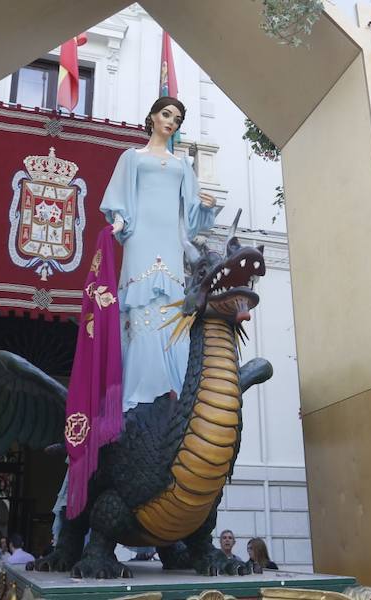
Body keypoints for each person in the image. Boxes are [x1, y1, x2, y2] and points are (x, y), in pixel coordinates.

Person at [100, 96, 218, 413]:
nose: (171, 122)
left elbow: (192, 217)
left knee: (170, 312)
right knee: (141, 310)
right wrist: (120, 221)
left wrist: (206, 206)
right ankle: (136, 393)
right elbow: (120, 197)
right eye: (166, 114)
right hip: (140, 240)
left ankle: (173, 387)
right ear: (152, 117)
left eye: (177, 119)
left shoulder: (183, 166)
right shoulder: (132, 158)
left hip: (169, 244)